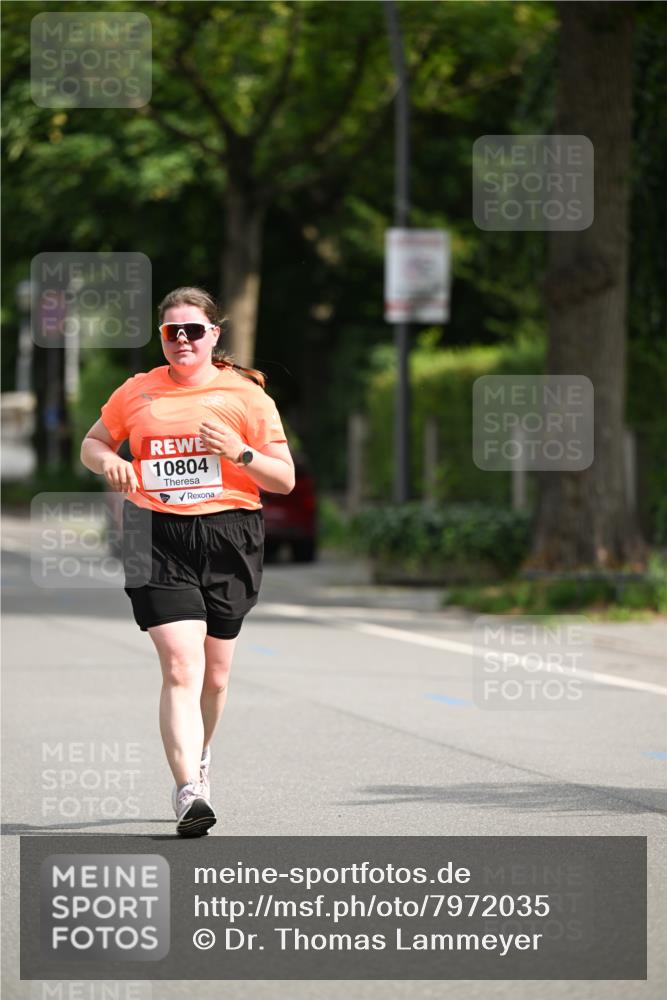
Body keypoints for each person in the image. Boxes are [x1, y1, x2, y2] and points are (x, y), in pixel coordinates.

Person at [80, 286, 295, 836]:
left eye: (193, 330)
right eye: (171, 331)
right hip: (153, 532)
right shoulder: (137, 391)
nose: (182, 339)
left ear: (213, 335)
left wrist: (238, 453)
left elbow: (285, 479)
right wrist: (110, 461)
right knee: (180, 663)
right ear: (161, 337)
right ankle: (188, 791)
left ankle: (200, 755)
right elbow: (93, 442)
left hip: (229, 533)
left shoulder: (246, 397)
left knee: (216, 676)